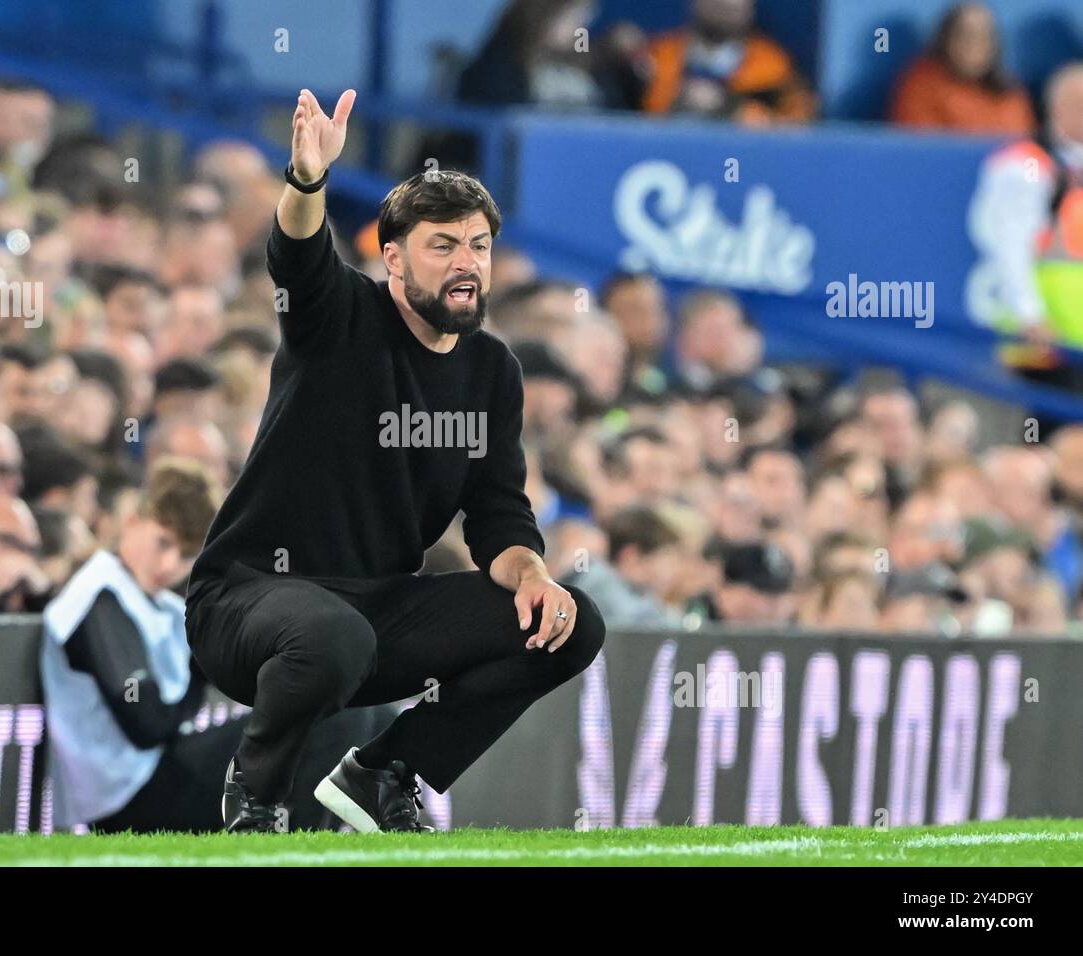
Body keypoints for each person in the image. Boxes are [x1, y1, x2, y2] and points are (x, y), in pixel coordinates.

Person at [184, 89, 605, 834]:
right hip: (248, 599)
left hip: (378, 609)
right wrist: (308, 180)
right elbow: (298, 258)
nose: (465, 262)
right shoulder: (342, 317)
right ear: (393, 258)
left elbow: (498, 512)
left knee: (572, 623)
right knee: (331, 634)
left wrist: (534, 576)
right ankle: (256, 800)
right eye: (442, 245)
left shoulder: (493, 372)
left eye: (477, 244)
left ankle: (385, 775)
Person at [42, 459, 393, 833]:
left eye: (186, 555)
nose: (169, 564)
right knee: (333, 719)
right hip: (126, 797)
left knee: (374, 713)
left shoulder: (152, 599)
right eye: (163, 542)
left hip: (158, 773)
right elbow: (146, 723)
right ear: (132, 521)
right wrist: (200, 674)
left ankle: (376, 830)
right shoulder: (100, 594)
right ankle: (294, 848)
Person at [967, 62, 1083, 363]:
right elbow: (1010, 244)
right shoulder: (1025, 166)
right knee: (1048, 409)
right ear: (1060, 107)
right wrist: (1029, 315)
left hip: (1075, 336)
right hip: (1046, 335)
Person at [638, 0, 815, 125]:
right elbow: (641, 113)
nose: (728, 4)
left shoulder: (773, 64)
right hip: (665, 153)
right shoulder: (661, 53)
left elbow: (797, 126)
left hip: (741, 160)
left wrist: (727, 106)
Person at [890, 3, 1034, 137]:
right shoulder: (920, 87)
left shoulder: (1009, 93)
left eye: (984, 37)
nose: (973, 45)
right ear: (945, 39)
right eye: (964, 35)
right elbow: (922, 149)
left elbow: (1019, 147)